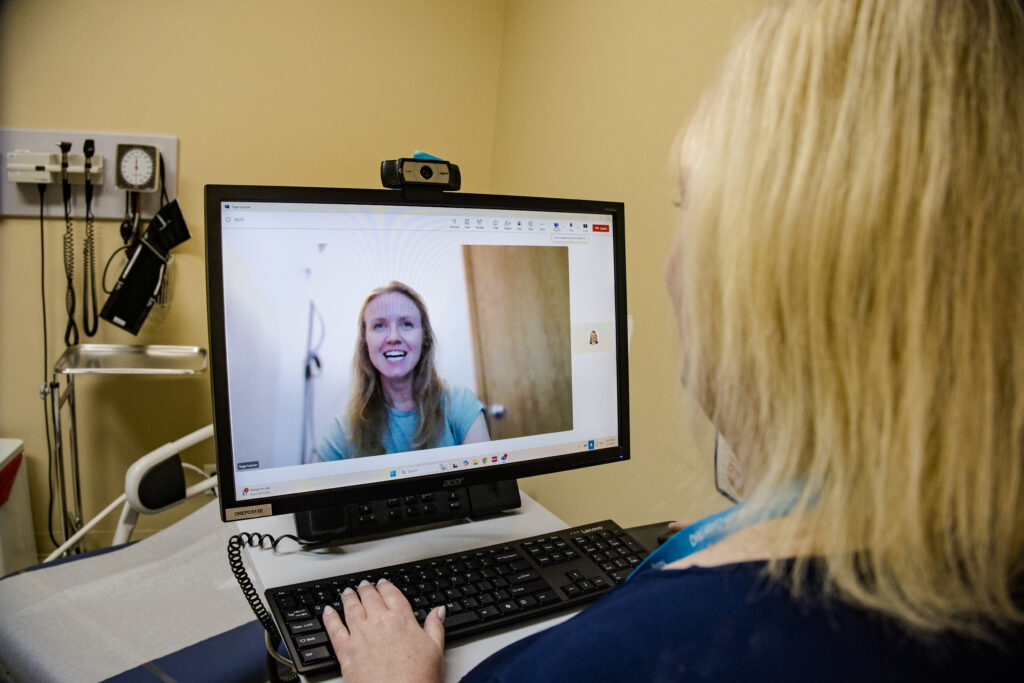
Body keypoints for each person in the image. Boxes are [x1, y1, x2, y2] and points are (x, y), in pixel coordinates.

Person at [320, 1, 1024, 680]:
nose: (669, 265)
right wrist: (739, 532)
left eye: (691, 206)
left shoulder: (600, 659)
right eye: (379, 323)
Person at [317, 281, 490, 461]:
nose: (393, 337)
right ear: (365, 342)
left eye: (406, 324)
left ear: (424, 338)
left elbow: (488, 477)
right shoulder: (343, 430)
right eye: (379, 325)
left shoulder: (460, 404)